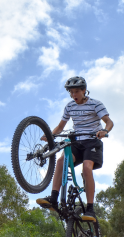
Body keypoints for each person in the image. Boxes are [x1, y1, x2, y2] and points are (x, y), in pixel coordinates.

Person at [36, 76, 114, 218]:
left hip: (92, 141)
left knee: (86, 167)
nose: (73, 95)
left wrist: (105, 131)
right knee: (61, 161)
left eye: (76, 91)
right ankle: (54, 199)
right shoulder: (69, 106)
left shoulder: (96, 104)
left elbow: (109, 122)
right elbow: (60, 126)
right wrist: (50, 135)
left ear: (84, 90)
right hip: (77, 143)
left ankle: (90, 208)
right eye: (71, 92)